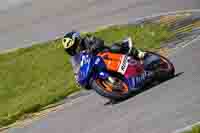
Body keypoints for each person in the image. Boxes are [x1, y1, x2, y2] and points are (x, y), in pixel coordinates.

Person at [62, 31, 157, 90]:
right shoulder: (75, 59)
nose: (73, 50)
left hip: (104, 54)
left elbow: (99, 41)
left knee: (115, 47)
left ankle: (139, 54)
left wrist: (93, 47)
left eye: (74, 46)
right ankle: (115, 86)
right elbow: (76, 70)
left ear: (78, 40)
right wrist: (78, 78)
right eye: (70, 50)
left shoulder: (87, 40)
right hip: (96, 66)